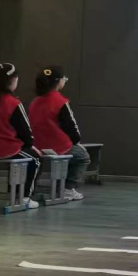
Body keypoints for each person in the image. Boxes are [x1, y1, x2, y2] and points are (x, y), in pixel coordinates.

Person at [0, 63, 41, 209]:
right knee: (34, 159)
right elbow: (26, 132)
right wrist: (30, 146)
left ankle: (11, 195)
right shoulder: (13, 103)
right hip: (6, 149)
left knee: (23, 156)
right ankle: (23, 197)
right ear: (12, 80)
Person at [30, 66, 88, 201]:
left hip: (38, 146)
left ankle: (34, 189)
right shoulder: (61, 101)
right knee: (83, 156)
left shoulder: (35, 102)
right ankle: (67, 188)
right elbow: (71, 127)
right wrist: (76, 142)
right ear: (59, 81)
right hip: (58, 146)